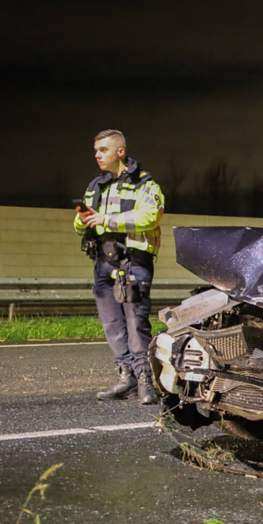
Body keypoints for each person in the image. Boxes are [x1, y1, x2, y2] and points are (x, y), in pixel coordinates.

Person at [73, 129, 164, 404]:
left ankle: (147, 381)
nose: (97, 154)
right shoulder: (96, 186)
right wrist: (84, 219)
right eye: (96, 150)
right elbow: (79, 224)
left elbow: (150, 216)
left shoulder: (145, 184)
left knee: (136, 322)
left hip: (133, 262)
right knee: (112, 324)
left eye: (103, 149)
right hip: (103, 262)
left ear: (120, 152)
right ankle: (128, 378)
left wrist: (106, 219)